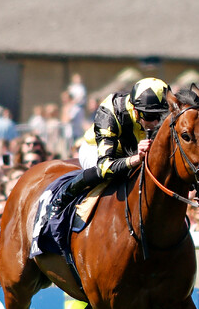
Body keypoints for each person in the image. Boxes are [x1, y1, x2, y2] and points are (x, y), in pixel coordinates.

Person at [48, 77, 170, 219]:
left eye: (161, 115)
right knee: (105, 174)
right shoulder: (111, 108)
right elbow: (104, 166)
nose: (156, 122)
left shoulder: (163, 116)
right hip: (96, 150)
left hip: (134, 152)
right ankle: (65, 194)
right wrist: (136, 158)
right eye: (150, 115)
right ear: (135, 110)